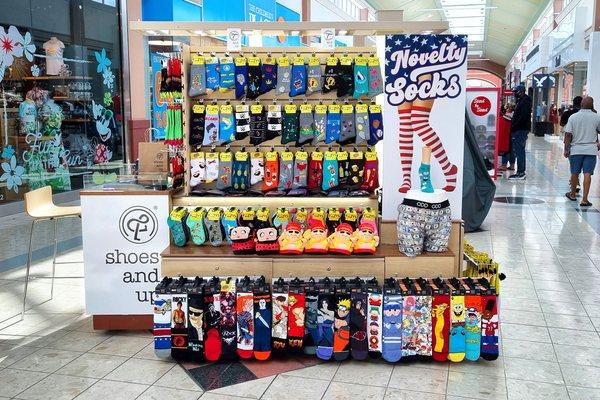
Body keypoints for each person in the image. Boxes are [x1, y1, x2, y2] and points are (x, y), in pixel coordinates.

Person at [564, 96, 600, 207]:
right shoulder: (596, 117)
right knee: (587, 173)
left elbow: (568, 134)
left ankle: (573, 194)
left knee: (574, 172)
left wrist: (566, 149)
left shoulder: (573, 117)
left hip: (576, 149)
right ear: (592, 105)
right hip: (591, 150)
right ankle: (584, 199)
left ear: (581, 104)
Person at [508, 85, 532, 180]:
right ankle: (520, 172)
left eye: (516, 92)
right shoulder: (521, 101)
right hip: (519, 129)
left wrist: (514, 127)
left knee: (519, 151)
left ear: (521, 91)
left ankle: (521, 172)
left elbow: (523, 117)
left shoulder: (525, 102)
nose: (514, 94)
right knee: (519, 150)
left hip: (520, 130)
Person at [498, 104, 515, 171]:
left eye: (508, 107)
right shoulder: (514, 114)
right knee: (512, 150)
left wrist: (502, 114)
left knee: (506, 149)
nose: (507, 108)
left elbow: (507, 119)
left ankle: (504, 165)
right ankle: (512, 165)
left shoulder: (510, 115)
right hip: (512, 133)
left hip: (507, 133)